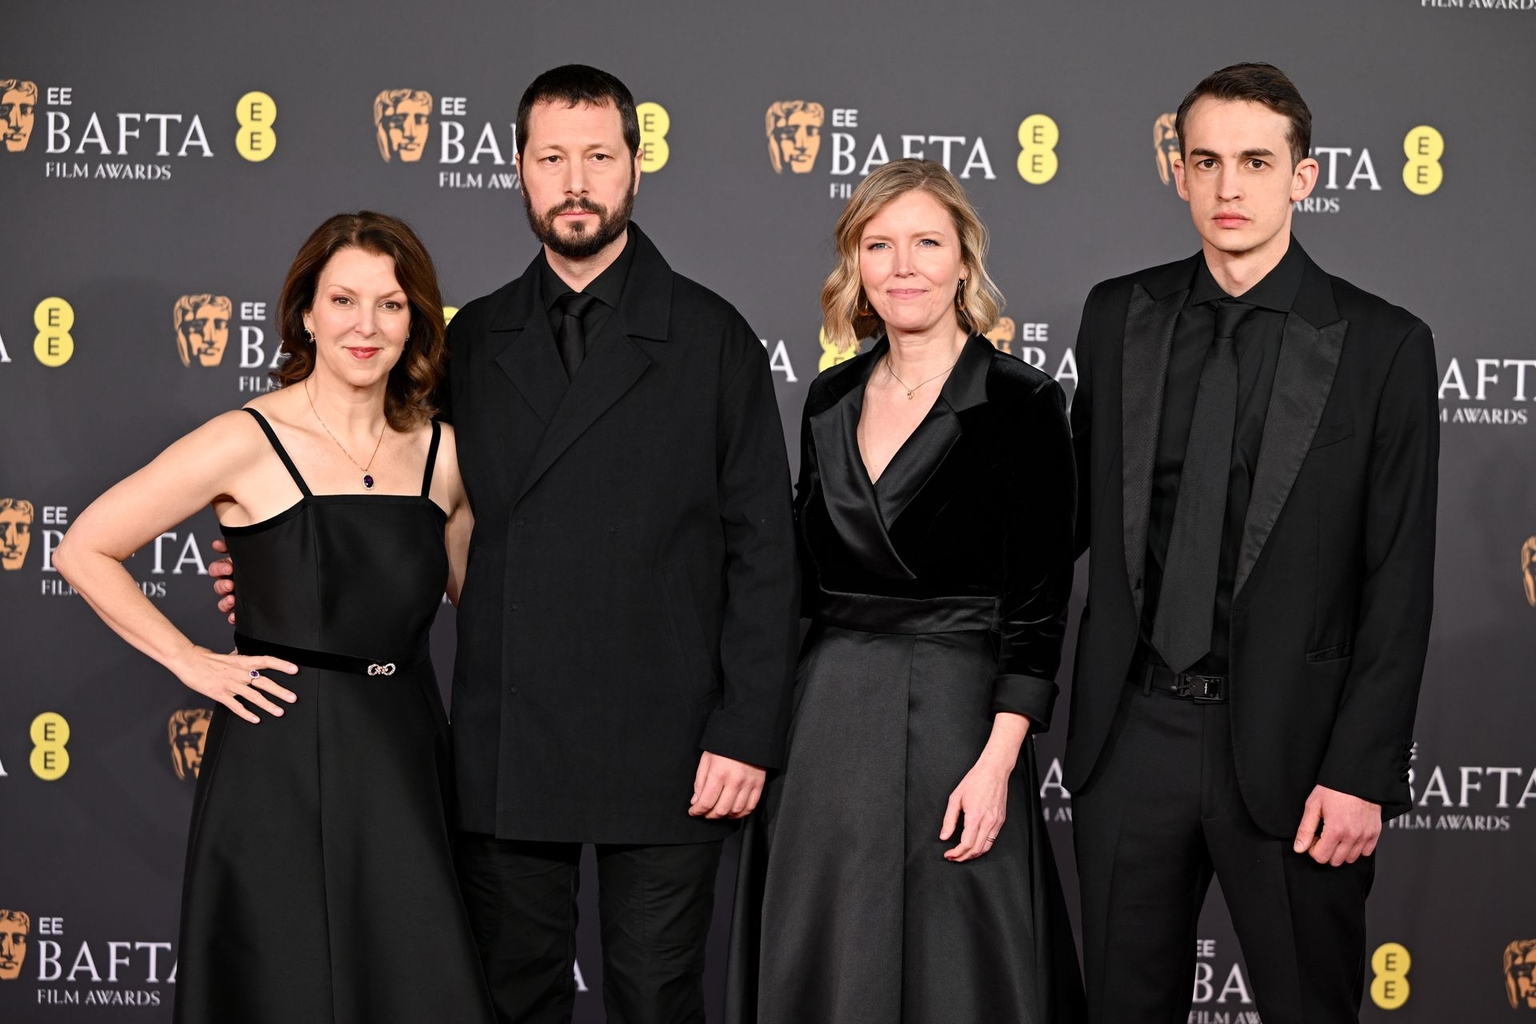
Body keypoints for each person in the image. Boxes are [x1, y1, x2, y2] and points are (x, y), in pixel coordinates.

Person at [1065, 64, 1439, 1023]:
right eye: (1207, 161)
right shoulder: (1117, 315)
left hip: (1296, 749)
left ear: (1304, 178)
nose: (1229, 187)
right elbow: (1066, 518)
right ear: (1177, 172)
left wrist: (1361, 772)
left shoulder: (1383, 343)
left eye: (1256, 162)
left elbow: (1398, 577)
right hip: (1131, 735)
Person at [55, 212, 495, 1024]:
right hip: (276, 760)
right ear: (305, 313)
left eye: (391, 305)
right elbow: (83, 549)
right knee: (277, 983)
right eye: (343, 300)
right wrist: (192, 660)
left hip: (405, 754)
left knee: (413, 985)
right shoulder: (245, 438)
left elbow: (488, 607)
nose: (366, 326)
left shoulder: (446, 454)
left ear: (418, 321)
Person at [726, 159, 1086, 1024]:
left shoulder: (1023, 401)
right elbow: (799, 583)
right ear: (855, 265)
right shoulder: (828, 397)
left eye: (927, 242)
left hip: (962, 720)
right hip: (827, 722)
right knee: (827, 953)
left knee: (960, 965)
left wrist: (999, 764)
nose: (904, 266)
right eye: (878, 245)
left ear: (965, 260)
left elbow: (1038, 608)